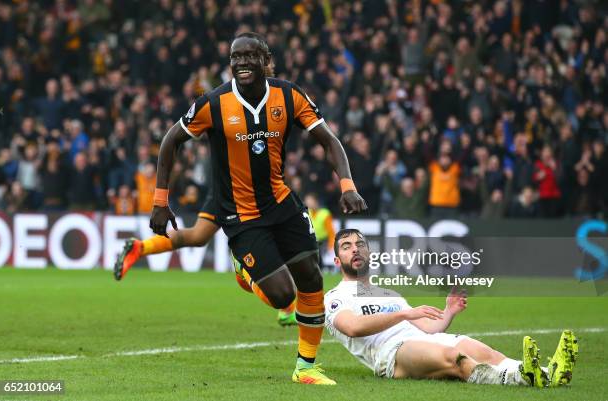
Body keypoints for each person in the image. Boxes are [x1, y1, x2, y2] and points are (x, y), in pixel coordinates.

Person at [148, 32, 367, 385]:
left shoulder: (289, 95)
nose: (242, 63)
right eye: (236, 57)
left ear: (266, 60)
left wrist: (348, 185)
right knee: (282, 294)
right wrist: (160, 201)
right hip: (240, 214)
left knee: (311, 276)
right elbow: (170, 141)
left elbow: (329, 140)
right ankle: (243, 268)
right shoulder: (213, 103)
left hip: (282, 203)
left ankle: (306, 368)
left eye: (250, 56)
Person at [324, 228, 578, 387]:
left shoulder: (388, 292)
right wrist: (402, 313)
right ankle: (522, 378)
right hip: (392, 353)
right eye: (347, 247)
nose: (355, 249)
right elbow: (353, 328)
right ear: (337, 260)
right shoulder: (335, 296)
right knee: (455, 359)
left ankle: (549, 372)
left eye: (360, 245)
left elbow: (429, 328)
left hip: (419, 339)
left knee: (480, 349)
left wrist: (448, 313)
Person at [113, 193, 297, 327]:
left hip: (224, 187)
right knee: (271, 275)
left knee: (197, 235)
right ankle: (287, 308)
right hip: (247, 191)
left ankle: (141, 247)